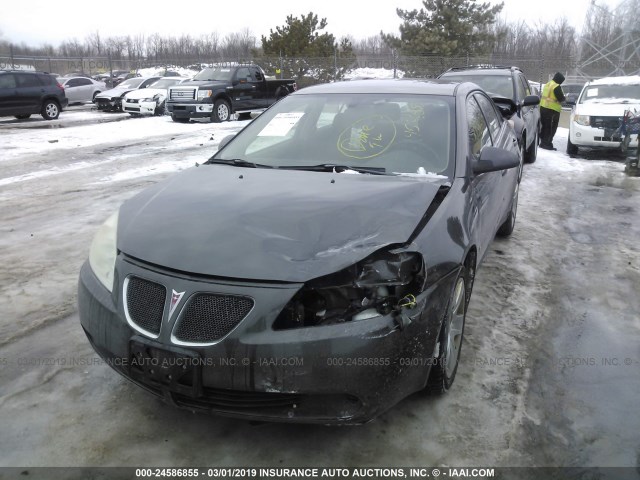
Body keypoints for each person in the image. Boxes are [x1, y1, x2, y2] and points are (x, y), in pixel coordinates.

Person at [539, 72, 566, 150]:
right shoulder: (556, 86)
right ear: (559, 80)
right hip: (552, 110)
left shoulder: (548, 84)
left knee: (544, 126)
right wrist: (564, 99)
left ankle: (543, 142)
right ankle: (547, 144)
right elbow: (561, 98)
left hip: (543, 107)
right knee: (551, 128)